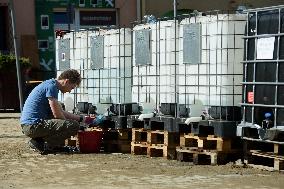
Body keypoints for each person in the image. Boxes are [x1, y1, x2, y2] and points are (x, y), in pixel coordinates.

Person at [20, 69, 93, 154]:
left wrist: (82, 119)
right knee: (73, 126)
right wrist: (72, 125)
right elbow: (57, 114)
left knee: (66, 118)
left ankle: (42, 143)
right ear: (66, 81)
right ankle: (43, 145)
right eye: (71, 87)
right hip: (32, 126)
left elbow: (61, 111)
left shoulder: (50, 84)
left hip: (30, 125)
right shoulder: (52, 87)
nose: (70, 91)